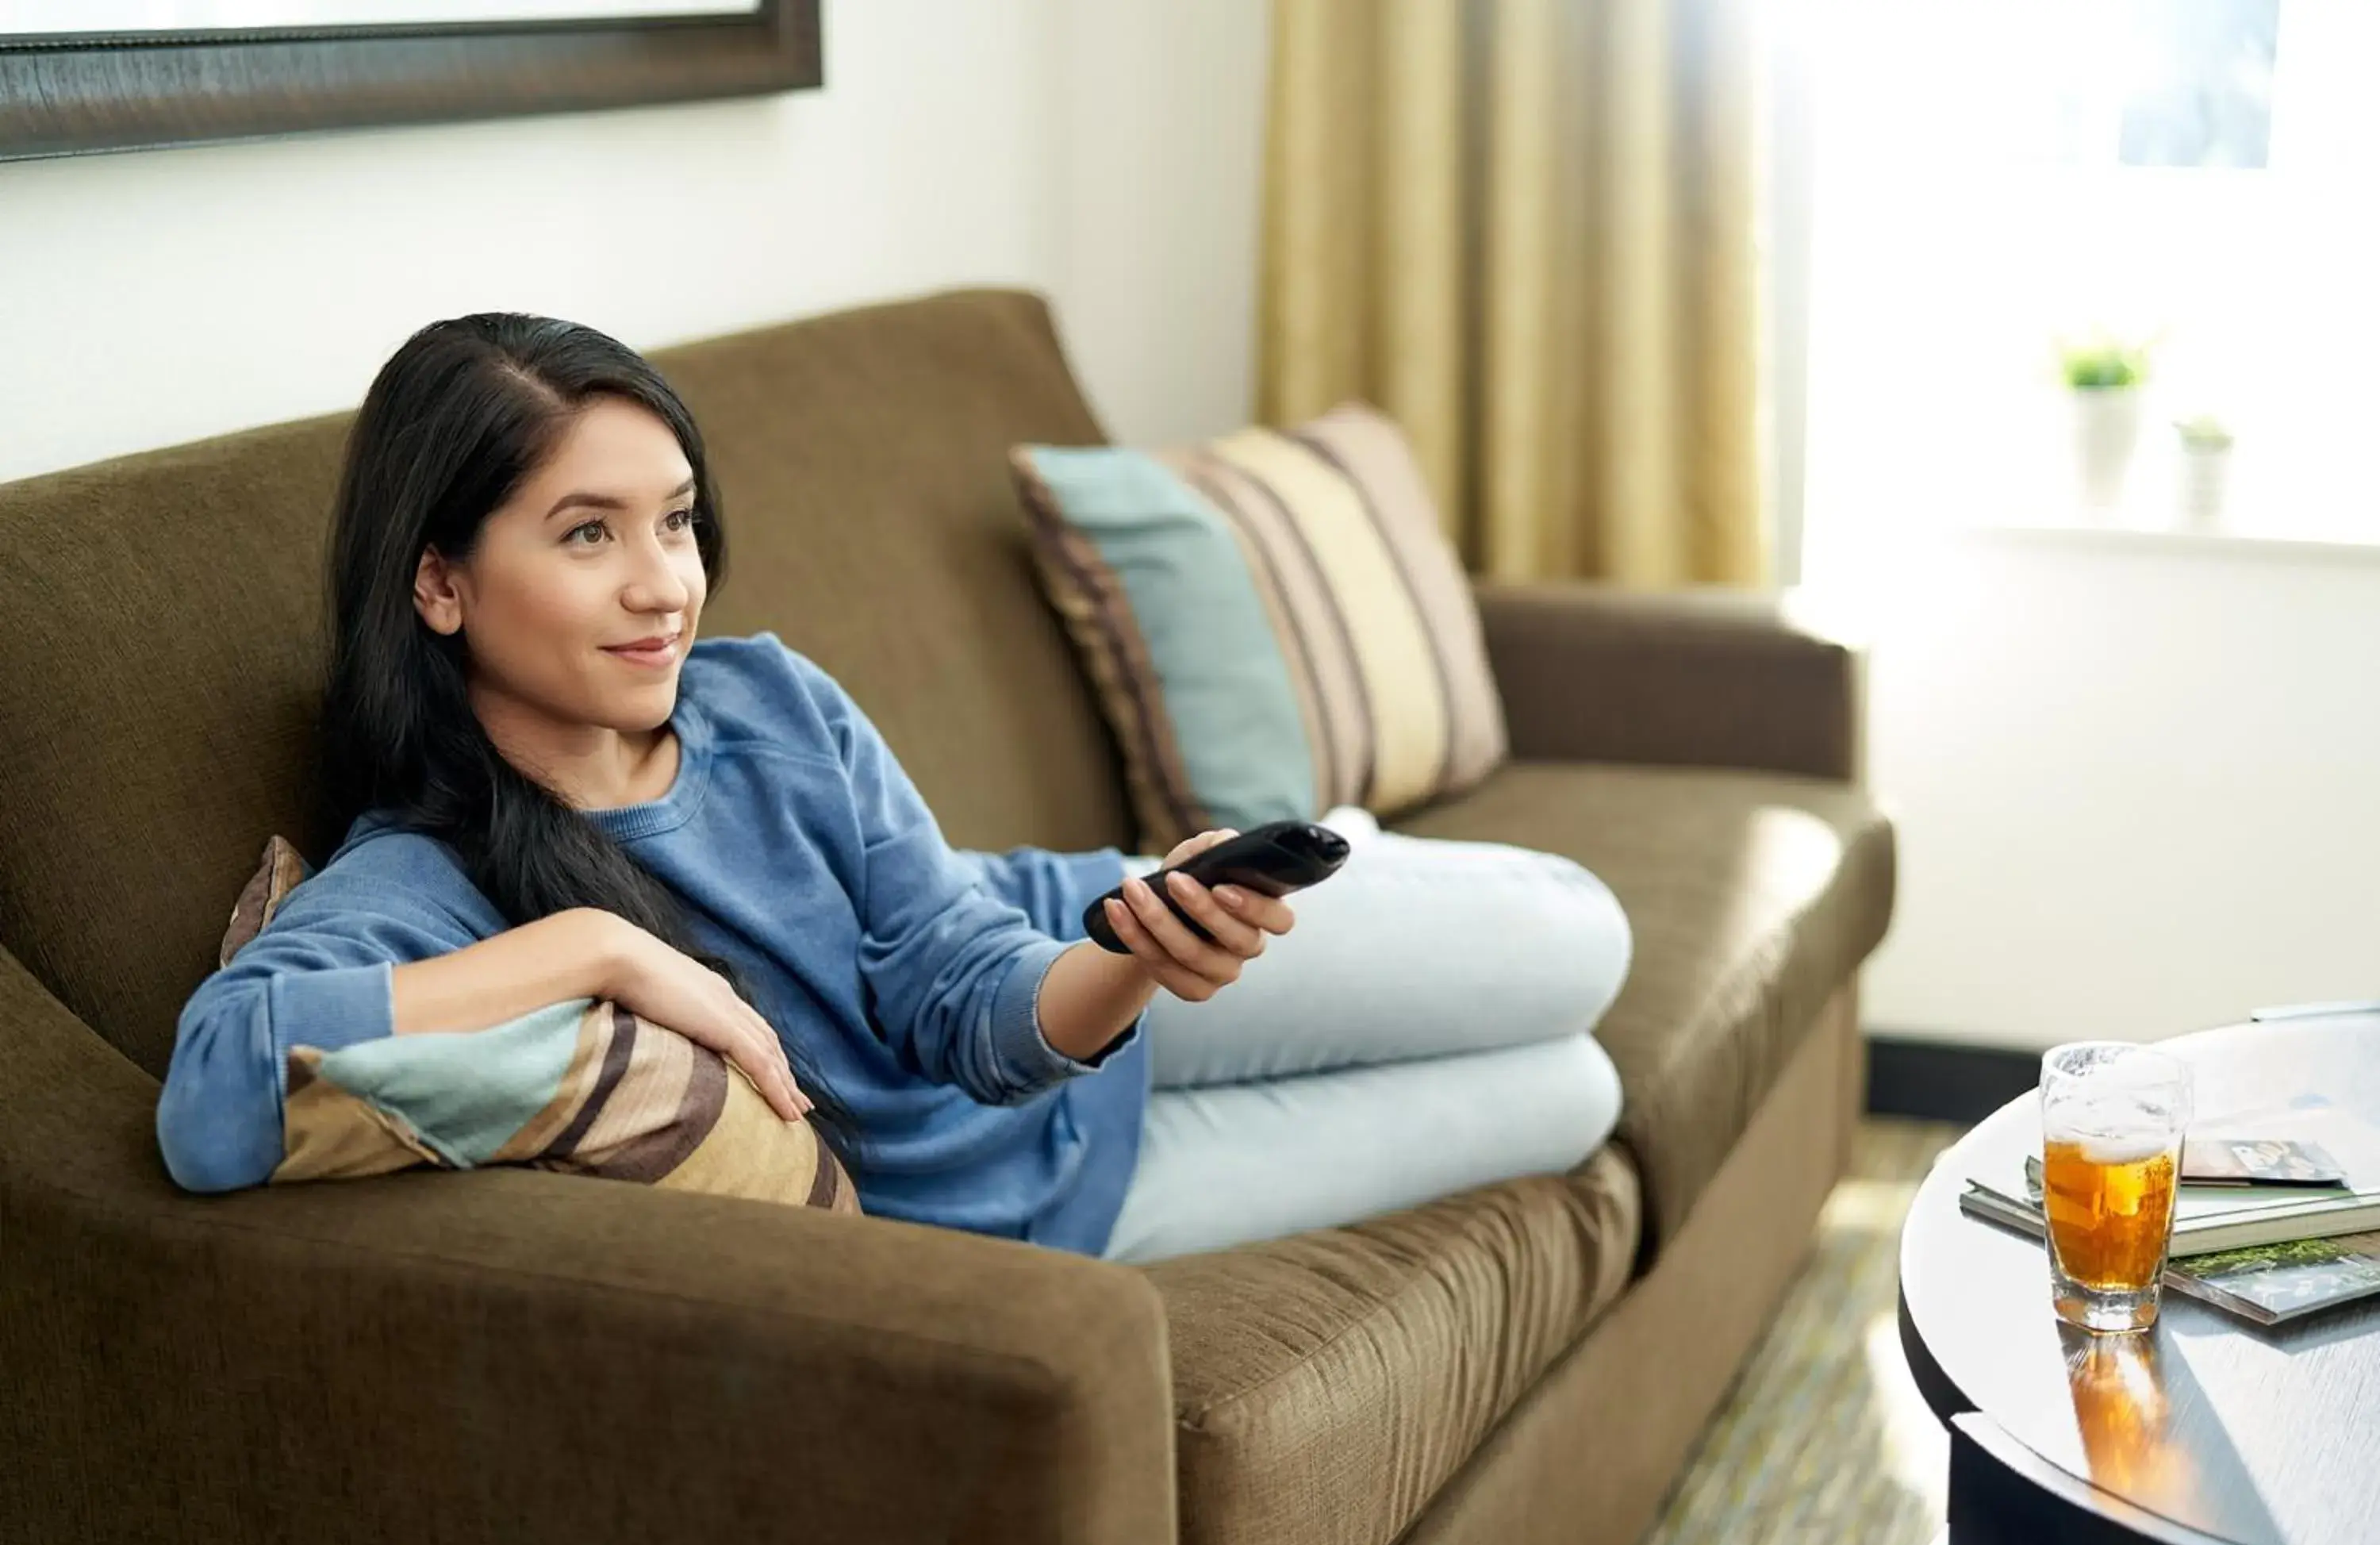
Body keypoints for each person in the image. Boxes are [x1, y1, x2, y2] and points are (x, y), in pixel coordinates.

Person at [156, 313, 1631, 1264]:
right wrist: (604, 950)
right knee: (1576, 1093)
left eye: (674, 520)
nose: (666, 585)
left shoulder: (770, 699)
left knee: (1586, 939)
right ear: (439, 584)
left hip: (1068, 971)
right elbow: (213, 1101)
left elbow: (959, 986)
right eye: (587, 535)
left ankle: (1337, 858)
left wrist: (1133, 957)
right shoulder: (423, 880)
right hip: (1035, 1218)